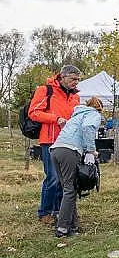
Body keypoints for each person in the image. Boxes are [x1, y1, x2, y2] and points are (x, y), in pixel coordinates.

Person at [28, 65, 82, 226]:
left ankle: (60, 211)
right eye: (73, 79)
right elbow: (34, 112)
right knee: (52, 178)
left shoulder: (75, 97)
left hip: (69, 142)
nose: (76, 83)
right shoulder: (46, 90)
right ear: (62, 77)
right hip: (50, 140)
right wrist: (56, 119)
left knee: (65, 180)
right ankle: (45, 212)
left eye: (78, 80)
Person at [49, 96, 103, 238]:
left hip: (56, 150)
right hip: (70, 151)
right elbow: (88, 128)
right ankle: (62, 228)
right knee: (70, 190)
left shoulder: (76, 115)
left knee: (68, 188)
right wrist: (91, 151)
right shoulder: (93, 114)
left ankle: (73, 226)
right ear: (99, 109)